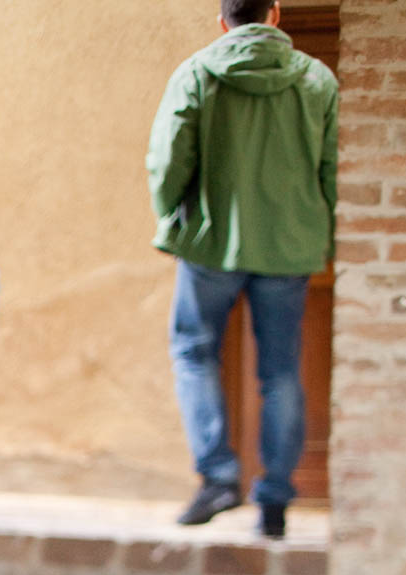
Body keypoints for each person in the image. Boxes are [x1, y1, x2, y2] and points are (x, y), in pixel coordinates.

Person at [146, 0, 337, 539]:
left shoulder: (197, 73)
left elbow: (166, 159)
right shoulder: (317, 80)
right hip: (290, 246)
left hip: (210, 244)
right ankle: (274, 499)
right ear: (275, 14)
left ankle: (219, 476)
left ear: (222, 20)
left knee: (193, 351)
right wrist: (327, 231)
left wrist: (171, 214)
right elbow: (335, 166)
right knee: (280, 371)